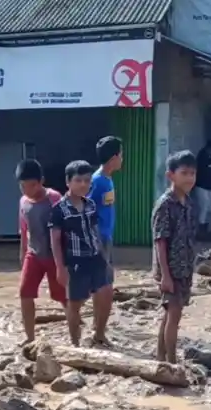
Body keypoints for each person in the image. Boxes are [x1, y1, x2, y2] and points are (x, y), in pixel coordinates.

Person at [49, 160, 110, 347]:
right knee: (74, 305)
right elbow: (55, 241)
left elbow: (95, 232)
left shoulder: (90, 204)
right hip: (75, 262)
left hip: (95, 258)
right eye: (78, 180)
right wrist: (60, 268)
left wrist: (105, 258)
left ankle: (99, 335)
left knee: (105, 295)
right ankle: (75, 344)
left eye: (86, 180)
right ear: (68, 182)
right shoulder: (59, 210)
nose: (83, 184)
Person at [152, 151, 198, 364]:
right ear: (171, 176)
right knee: (174, 316)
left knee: (170, 314)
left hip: (184, 267)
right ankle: (171, 362)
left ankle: (162, 357)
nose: (189, 178)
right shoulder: (165, 204)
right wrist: (165, 276)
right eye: (184, 173)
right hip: (170, 270)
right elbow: (160, 241)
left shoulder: (187, 202)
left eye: (192, 173)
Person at [15, 158, 66, 344]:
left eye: (29, 185)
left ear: (40, 182)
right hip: (34, 254)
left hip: (55, 256)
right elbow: (23, 229)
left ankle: (74, 336)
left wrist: (64, 263)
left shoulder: (54, 199)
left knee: (63, 297)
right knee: (25, 293)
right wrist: (22, 253)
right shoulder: (23, 202)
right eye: (22, 186)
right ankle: (29, 338)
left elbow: (65, 230)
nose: (25, 190)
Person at [89, 135, 122, 345]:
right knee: (106, 287)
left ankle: (96, 326)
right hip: (98, 239)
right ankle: (99, 335)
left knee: (100, 285)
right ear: (114, 157)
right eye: (121, 154)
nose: (122, 159)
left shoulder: (107, 178)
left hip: (105, 237)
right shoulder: (97, 181)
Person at [193, 141, 211, 238]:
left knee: (210, 209)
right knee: (203, 208)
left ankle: (206, 230)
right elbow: (204, 171)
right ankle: (201, 231)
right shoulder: (203, 157)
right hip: (202, 186)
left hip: (209, 187)